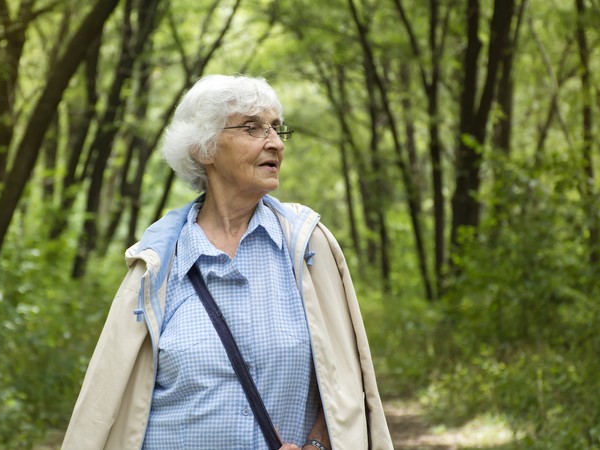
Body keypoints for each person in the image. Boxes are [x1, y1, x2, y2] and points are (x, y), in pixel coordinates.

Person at [61, 74, 393, 450]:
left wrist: (317, 445)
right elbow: (108, 403)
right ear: (203, 149)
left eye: (276, 128)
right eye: (252, 128)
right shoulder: (157, 264)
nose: (274, 142)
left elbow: (344, 382)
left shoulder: (306, 247)